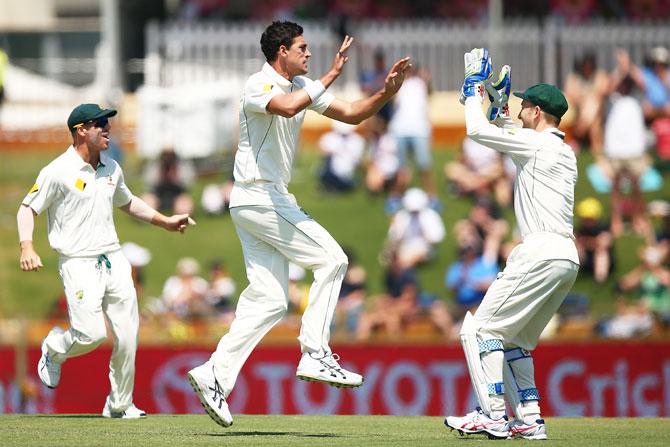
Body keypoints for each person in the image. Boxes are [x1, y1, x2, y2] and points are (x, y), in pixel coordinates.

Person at [186, 21, 410, 428]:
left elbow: (353, 114)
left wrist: (386, 93)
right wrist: (329, 76)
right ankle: (315, 351)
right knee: (333, 260)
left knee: (271, 300)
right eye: (302, 48)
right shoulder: (259, 84)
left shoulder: (303, 85)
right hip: (260, 196)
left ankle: (214, 373)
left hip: (260, 200)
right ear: (281, 52)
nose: (308, 54)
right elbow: (288, 107)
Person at [17, 103, 194, 419]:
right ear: (81, 130)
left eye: (107, 122)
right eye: (100, 123)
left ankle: (119, 403)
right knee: (91, 335)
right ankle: (55, 348)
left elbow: (128, 202)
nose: (107, 128)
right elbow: (27, 208)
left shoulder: (112, 167)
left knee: (128, 335)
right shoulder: (57, 171)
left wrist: (164, 221)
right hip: (78, 262)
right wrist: (27, 246)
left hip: (113, 258)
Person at [444, 49, 579, 441]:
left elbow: (478, 133)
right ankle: (530, 418)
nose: (519, 111)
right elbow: (508, 136)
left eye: (523, 107)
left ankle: (493, 415)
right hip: (566, 259)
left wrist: (473, 89)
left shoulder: (538, 147)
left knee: (480, 330)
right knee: (515, 340)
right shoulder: (559, 149)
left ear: (537, 113)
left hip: (539, 252)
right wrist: (499, 108)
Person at [388, 64, 437, 202]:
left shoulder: (421, 83)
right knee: (401, 168)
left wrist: (427, 79)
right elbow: (391, 97)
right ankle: (396, 196)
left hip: (419, 129)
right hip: (400, 129)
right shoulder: (399, 84)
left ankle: (431, 196)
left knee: (424, 165)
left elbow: (430, 92)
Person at [318, 120, 366, 192]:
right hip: (330, 171)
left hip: (347, 172)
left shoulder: (358, 140)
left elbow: (357, 160)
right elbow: (322, 152)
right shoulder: (329, 137)